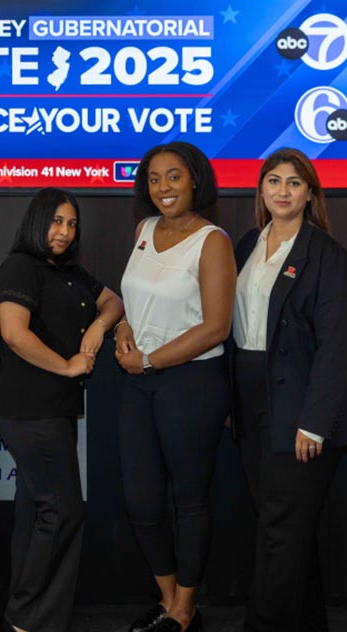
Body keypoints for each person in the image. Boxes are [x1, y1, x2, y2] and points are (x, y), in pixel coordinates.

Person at [230, 148, 347, 632]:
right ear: (261, 189)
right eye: (274, 181)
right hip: (250, 399)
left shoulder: (325, 254)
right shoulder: (245, 245)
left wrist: (313, 422)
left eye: (294, 183)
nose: (283, 191)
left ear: (310, 193)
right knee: (283, 524)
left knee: (279, 530)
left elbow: (334, 346)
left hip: (300, 406)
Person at [114, 142, 236, 632]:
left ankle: (185, 610)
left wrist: (148, 360)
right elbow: (135, 298)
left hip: (191, 384)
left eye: (174, 177)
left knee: (189, 498)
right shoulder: (143, 230)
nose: (163, 188)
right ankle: (168, 600)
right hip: (141, 385)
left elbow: (216, 327)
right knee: (141, 498)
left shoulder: (213, 241)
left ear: (195, 181)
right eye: (154, 179)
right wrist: (125, 327)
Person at [0, 188, 124, 632]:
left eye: (71, 223)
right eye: (55, 222)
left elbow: (113, 301)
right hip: (29, 408)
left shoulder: (68, 272)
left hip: (56, 409)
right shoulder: (20, 267)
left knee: (37, 510)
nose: (64, 231)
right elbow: (14, 334)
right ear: (36, 222)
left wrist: (98, 329)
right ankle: (31, 617)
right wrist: (67, 365)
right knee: (63, 509)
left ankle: (25, 614)